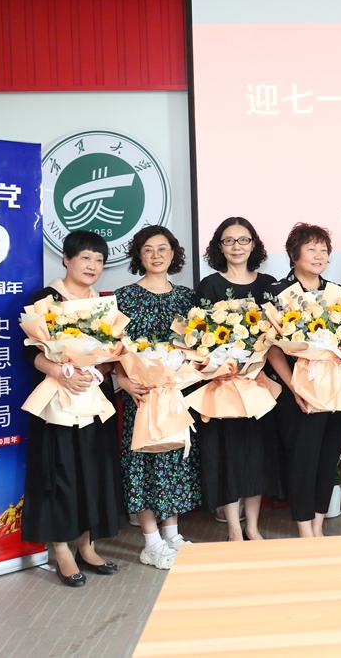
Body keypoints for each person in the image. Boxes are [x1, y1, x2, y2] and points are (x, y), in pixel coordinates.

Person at [21, 231, 123, 587]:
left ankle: (87, 545)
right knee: (59, 472)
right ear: (66, 259)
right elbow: (29, 350)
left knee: (93, 471)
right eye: (85, 258)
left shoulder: (104, 304)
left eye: (99, 260)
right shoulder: (46, 299)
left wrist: (100, 367)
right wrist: (59, 371)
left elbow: (112, 353)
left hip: (94, 397)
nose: (92, 265)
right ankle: (62, 550)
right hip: (58, 401)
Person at [113, 225, 200, 568]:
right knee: (143, 463)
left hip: (176, 394)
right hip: (142, 395)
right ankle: (150, 542)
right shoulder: (124, 297)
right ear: (139, 255)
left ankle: (172, 535)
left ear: (173, 253)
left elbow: (195, 345)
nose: (156, 255)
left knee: (174, 460)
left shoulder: (187, 298)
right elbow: (110, 347)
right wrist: (123, 380)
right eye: (148, 249)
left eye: (162, 248)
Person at [265, 223, 341, 538]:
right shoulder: (278, 292)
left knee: (328, 458)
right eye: (311, 248)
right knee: (303, 460)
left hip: (333, 387)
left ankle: (318, 525)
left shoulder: (336, 292)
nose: (319, 255)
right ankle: (304, 529)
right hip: (296, 391)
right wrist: (295, 388)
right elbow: (272, 349)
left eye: (323, 249)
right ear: (293, 254)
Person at [194, 217, 275, 540]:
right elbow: (198, 336)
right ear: (219, 247)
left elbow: (277, 334)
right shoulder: (210, 286)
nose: (236, 247)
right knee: (226, 454)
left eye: (243, 240)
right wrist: (225, 366)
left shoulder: (268, 285)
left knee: (256, 455)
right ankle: (233, 528)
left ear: (253, 244)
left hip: (259, 383)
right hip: (223, 383)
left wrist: (253, 364)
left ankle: (252, 526)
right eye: (229, 241)